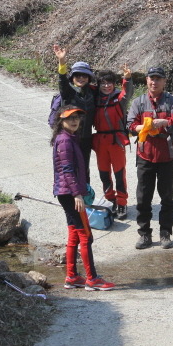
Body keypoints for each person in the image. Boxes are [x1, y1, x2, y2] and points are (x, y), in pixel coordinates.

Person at [52, 105, 115, 291]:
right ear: (61, 121)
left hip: (66, 193)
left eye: (77, 117)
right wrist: (77, 194)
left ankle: (72, 277)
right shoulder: (65, 140)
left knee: (74, 234)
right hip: (70, 194)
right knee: (86, 236)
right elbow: (67, 170)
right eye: (70, 118)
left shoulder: (67, 137)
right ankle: (92, 279)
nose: (74, 121)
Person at [127, 66, 173, 250]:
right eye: (151, 78)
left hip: (167, 156)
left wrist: (165, 122)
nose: (154, 82)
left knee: (167, 197)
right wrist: (143, 127)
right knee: (143, 197)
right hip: (145, 155)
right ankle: (144, 234)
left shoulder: (172, 101)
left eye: (158, 79)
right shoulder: (138, 102)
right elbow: (130, 125)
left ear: (164, 81)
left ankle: (165, 233)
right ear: (147, 80)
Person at [92, 66, 133, 219]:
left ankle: (122, 203)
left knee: (119, 173)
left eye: (109, 83)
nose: (106, 86)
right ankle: (111, 200)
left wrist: (127, 79)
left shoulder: (119, 98)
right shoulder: (95, 99)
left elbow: (127, 93)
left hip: (116, 141)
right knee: (104, 173)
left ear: (114, 84)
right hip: (100, 141)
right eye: (103, 83)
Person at [53, 44, 95, 183]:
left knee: (84, 169)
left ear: (89, 77)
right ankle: (69, 193)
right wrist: (62, 61)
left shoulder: (92, 92)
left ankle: (85, 194)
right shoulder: (68, 92)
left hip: (86, 138)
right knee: (69, 168)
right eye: (77, 75)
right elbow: (62, 80)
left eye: (84, 75)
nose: (81, 78)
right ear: (72, 77)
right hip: (69, 137)